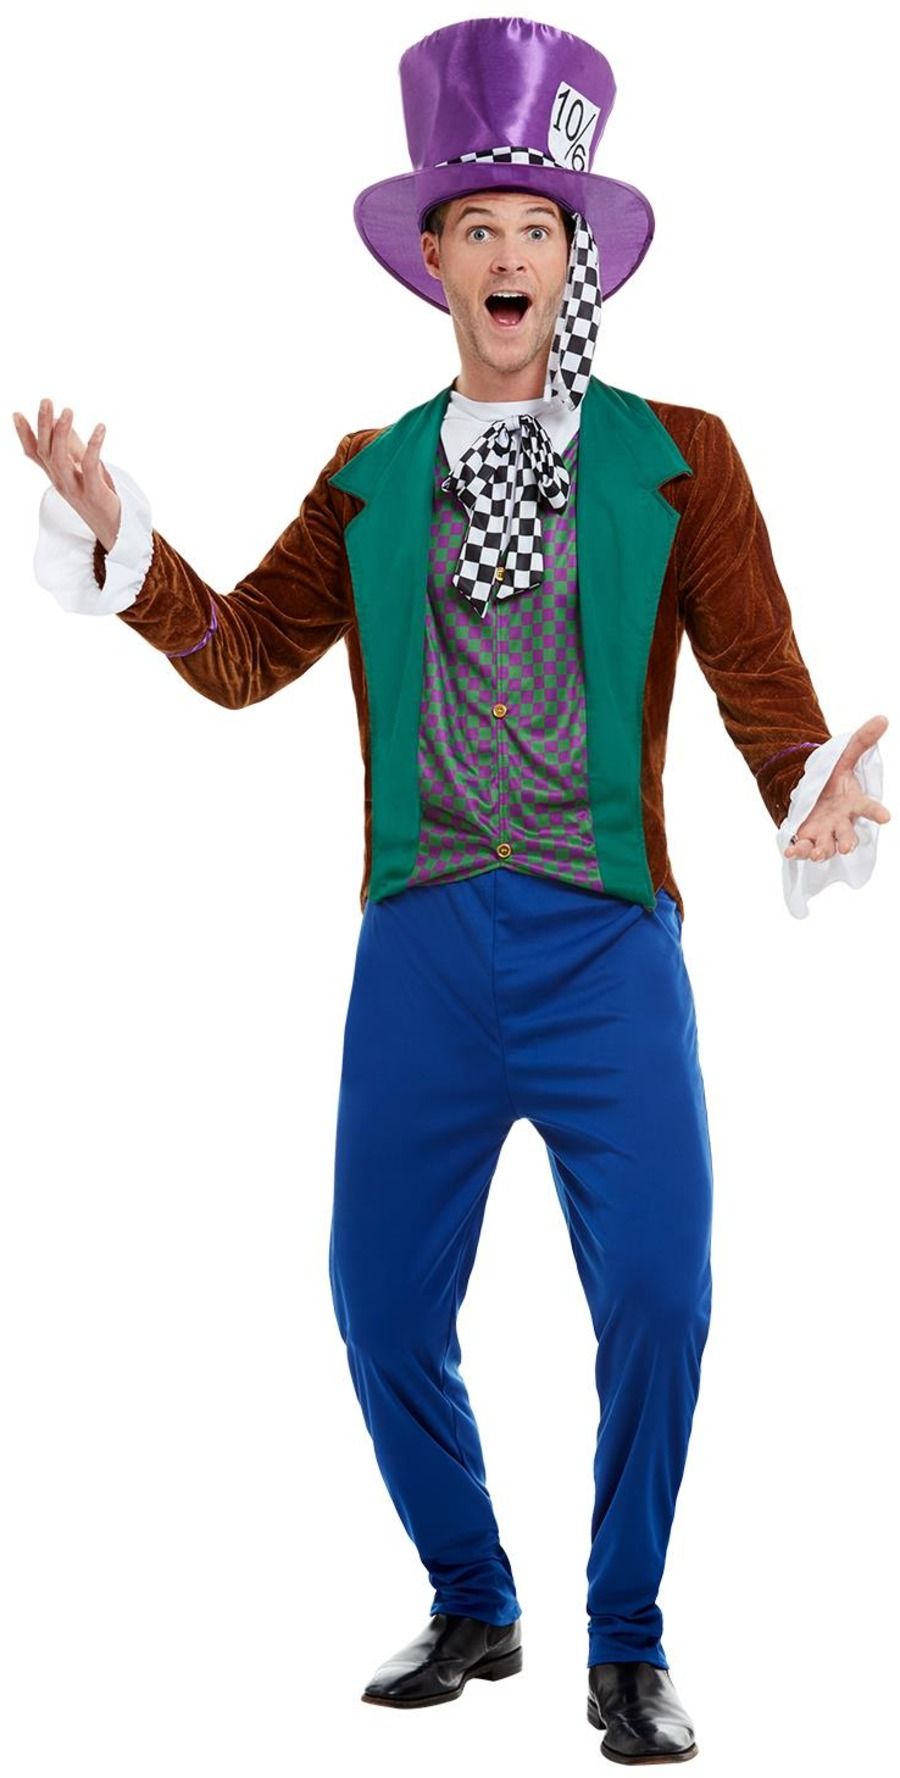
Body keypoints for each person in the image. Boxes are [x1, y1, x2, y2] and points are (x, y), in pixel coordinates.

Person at [13, 15, 890, 1766]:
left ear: (575, 257)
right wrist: (121, 539)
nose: (506, 253)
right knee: (381, 1301)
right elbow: (245, 653)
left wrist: (811, 798)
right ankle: (474, 1595)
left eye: (533, 227)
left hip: (605, 939)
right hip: (419, 939)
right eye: (476, 225)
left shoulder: (681, 455)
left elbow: (765, 690)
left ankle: (626, 1636)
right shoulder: (371, 473)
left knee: (662, 1289)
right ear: (433, 258)